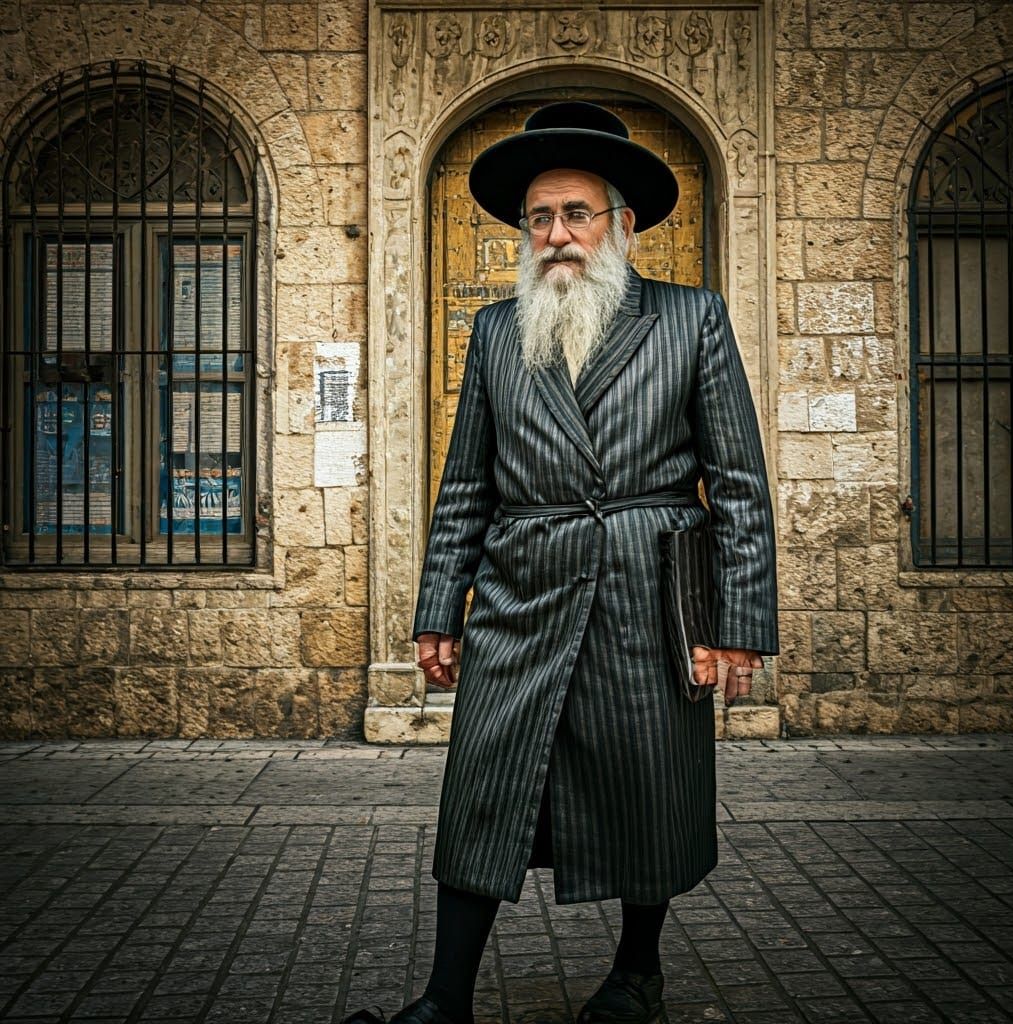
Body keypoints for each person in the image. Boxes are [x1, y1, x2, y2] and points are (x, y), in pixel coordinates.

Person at [345, 102, 778, 1024]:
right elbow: (466, 483)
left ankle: (637, 974)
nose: (556, 234)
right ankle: (444, 998)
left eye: (576, 213)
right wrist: (436, 609)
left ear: (621, 223)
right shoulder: (499, 332)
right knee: (483, 786)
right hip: (522, 587)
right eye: (539, 217)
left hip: (645, 589)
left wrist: (739, 629)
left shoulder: (690, 319)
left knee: (647, 781)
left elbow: (738, 483)